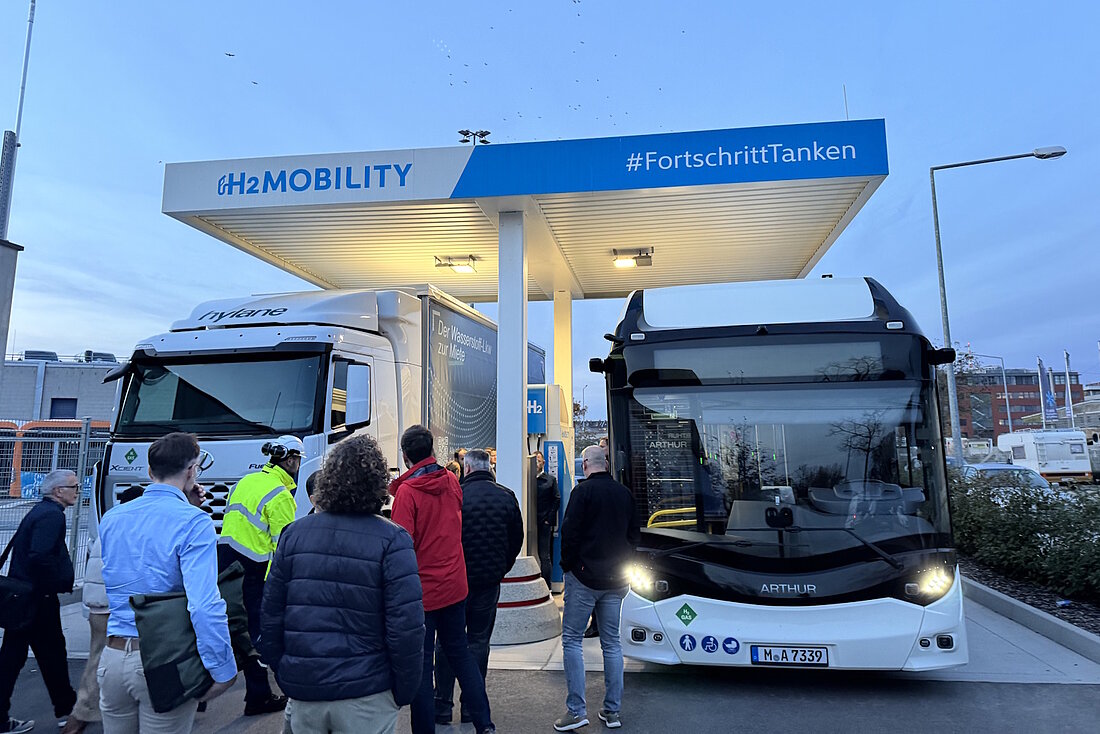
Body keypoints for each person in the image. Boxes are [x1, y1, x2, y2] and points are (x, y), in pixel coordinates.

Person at [260, 435, 424, 734]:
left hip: (306, 687)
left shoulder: (295, 534)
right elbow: (406, 627)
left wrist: (284, 672)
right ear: (378, 482)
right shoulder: (393, 539)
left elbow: (271, 614)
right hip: (368, 691)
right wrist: (404, 690)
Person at [98, 432, 238, 733]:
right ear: (192, 470)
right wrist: (223, 668)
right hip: (163, 658)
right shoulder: (194, 522)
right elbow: (203, 603)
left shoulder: (113, 518)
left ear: (150, 472)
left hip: (111, 657)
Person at [390, 425, 495, 734]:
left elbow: (401, 545)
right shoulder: (451, 480)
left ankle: (426, 729)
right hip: (454, 585)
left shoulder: (408, 493)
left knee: (422, 666)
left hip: (422, 592)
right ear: (432, 449)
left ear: (406, 455)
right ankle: (484, 724)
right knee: (461, 654)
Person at [554, 446, 640, 732]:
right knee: (612, 644)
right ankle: (612, 711)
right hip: (616, 580)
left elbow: (569, 532)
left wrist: (568, 566)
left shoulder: (582, 493)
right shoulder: (624, 494)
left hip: (584, 578)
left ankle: (576, 710)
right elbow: (634, 536)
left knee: (571, 641)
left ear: (587, 464)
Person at [434, 449, 522, 725]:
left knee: (448, 640)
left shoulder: (455, 497)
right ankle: (472, 707)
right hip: (488, 582)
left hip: (455, 581)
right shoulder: (506, 497)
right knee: (479, 641)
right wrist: (500, 569)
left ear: (467, 468)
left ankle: (442, 705)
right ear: (489, 467)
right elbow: (515, 541)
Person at [218, 436, 301, 716]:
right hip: (257, 572)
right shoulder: (280, 494)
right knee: (266, 635)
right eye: (298, 461)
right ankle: (296, 693)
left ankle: (258, 696)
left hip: (229, 567)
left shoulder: (246, 481)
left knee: (244, 634)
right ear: (290, 460)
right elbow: (283, 548)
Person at [0, 470, 80, 734]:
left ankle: (66, 709)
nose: (77, 491)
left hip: (23, 599)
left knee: (16, 657)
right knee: (50, 655)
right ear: (58, 491)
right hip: (37, 599)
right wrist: (57, 582)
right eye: (73, 486)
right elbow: (39, 555)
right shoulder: (51, 516)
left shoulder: (40, 512)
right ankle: (67, 712)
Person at [62, 487, 146, 734]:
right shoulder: (130, 527)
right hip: (113, 607)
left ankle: (86, 714)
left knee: (100, 657)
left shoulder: (110, 523)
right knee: (104, 661)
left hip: (98, 604)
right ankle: (80, 716)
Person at [534, 450, 561, 588]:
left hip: (544, 522)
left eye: (538, 460)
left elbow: (556, 499)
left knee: (544, 555)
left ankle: (547, 586)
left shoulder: (550, 480)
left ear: (543, 463)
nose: (536, 463)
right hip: (529, 523)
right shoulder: (527, 479)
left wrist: (549, 519)